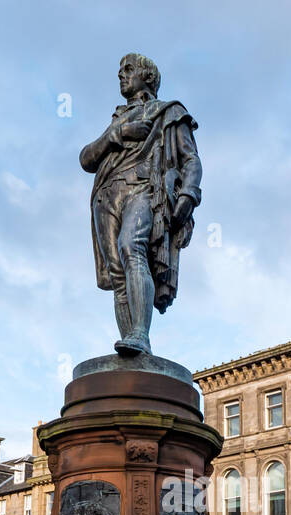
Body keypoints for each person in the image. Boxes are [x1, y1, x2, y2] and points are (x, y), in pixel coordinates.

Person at [80, 53, 202, 356]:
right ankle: (131, 347)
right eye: (120, 70)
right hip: (106, 195)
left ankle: (140, 334)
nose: (121, 75)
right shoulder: (117, 122)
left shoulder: (168, 112)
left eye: (128, 70)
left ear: (147, 77)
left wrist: (189, 193)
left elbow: (191, 159)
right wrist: (119, 133)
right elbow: (86, 158)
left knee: (131, 246)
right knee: (117, 270)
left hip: (143, 186)